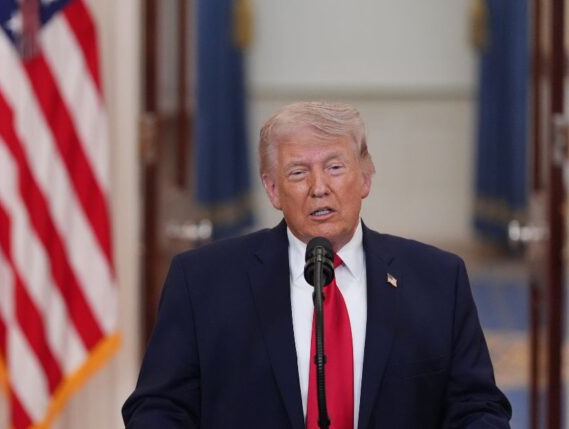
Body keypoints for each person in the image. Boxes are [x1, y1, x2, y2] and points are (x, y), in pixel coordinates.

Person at [122, 101, 511, 428]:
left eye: (335, 167)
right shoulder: (202, 282)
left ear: (365, 178)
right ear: (273, 189)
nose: (319, 187)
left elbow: (479, 409)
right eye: (297, 172)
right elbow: (158, 409)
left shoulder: (439, 280)